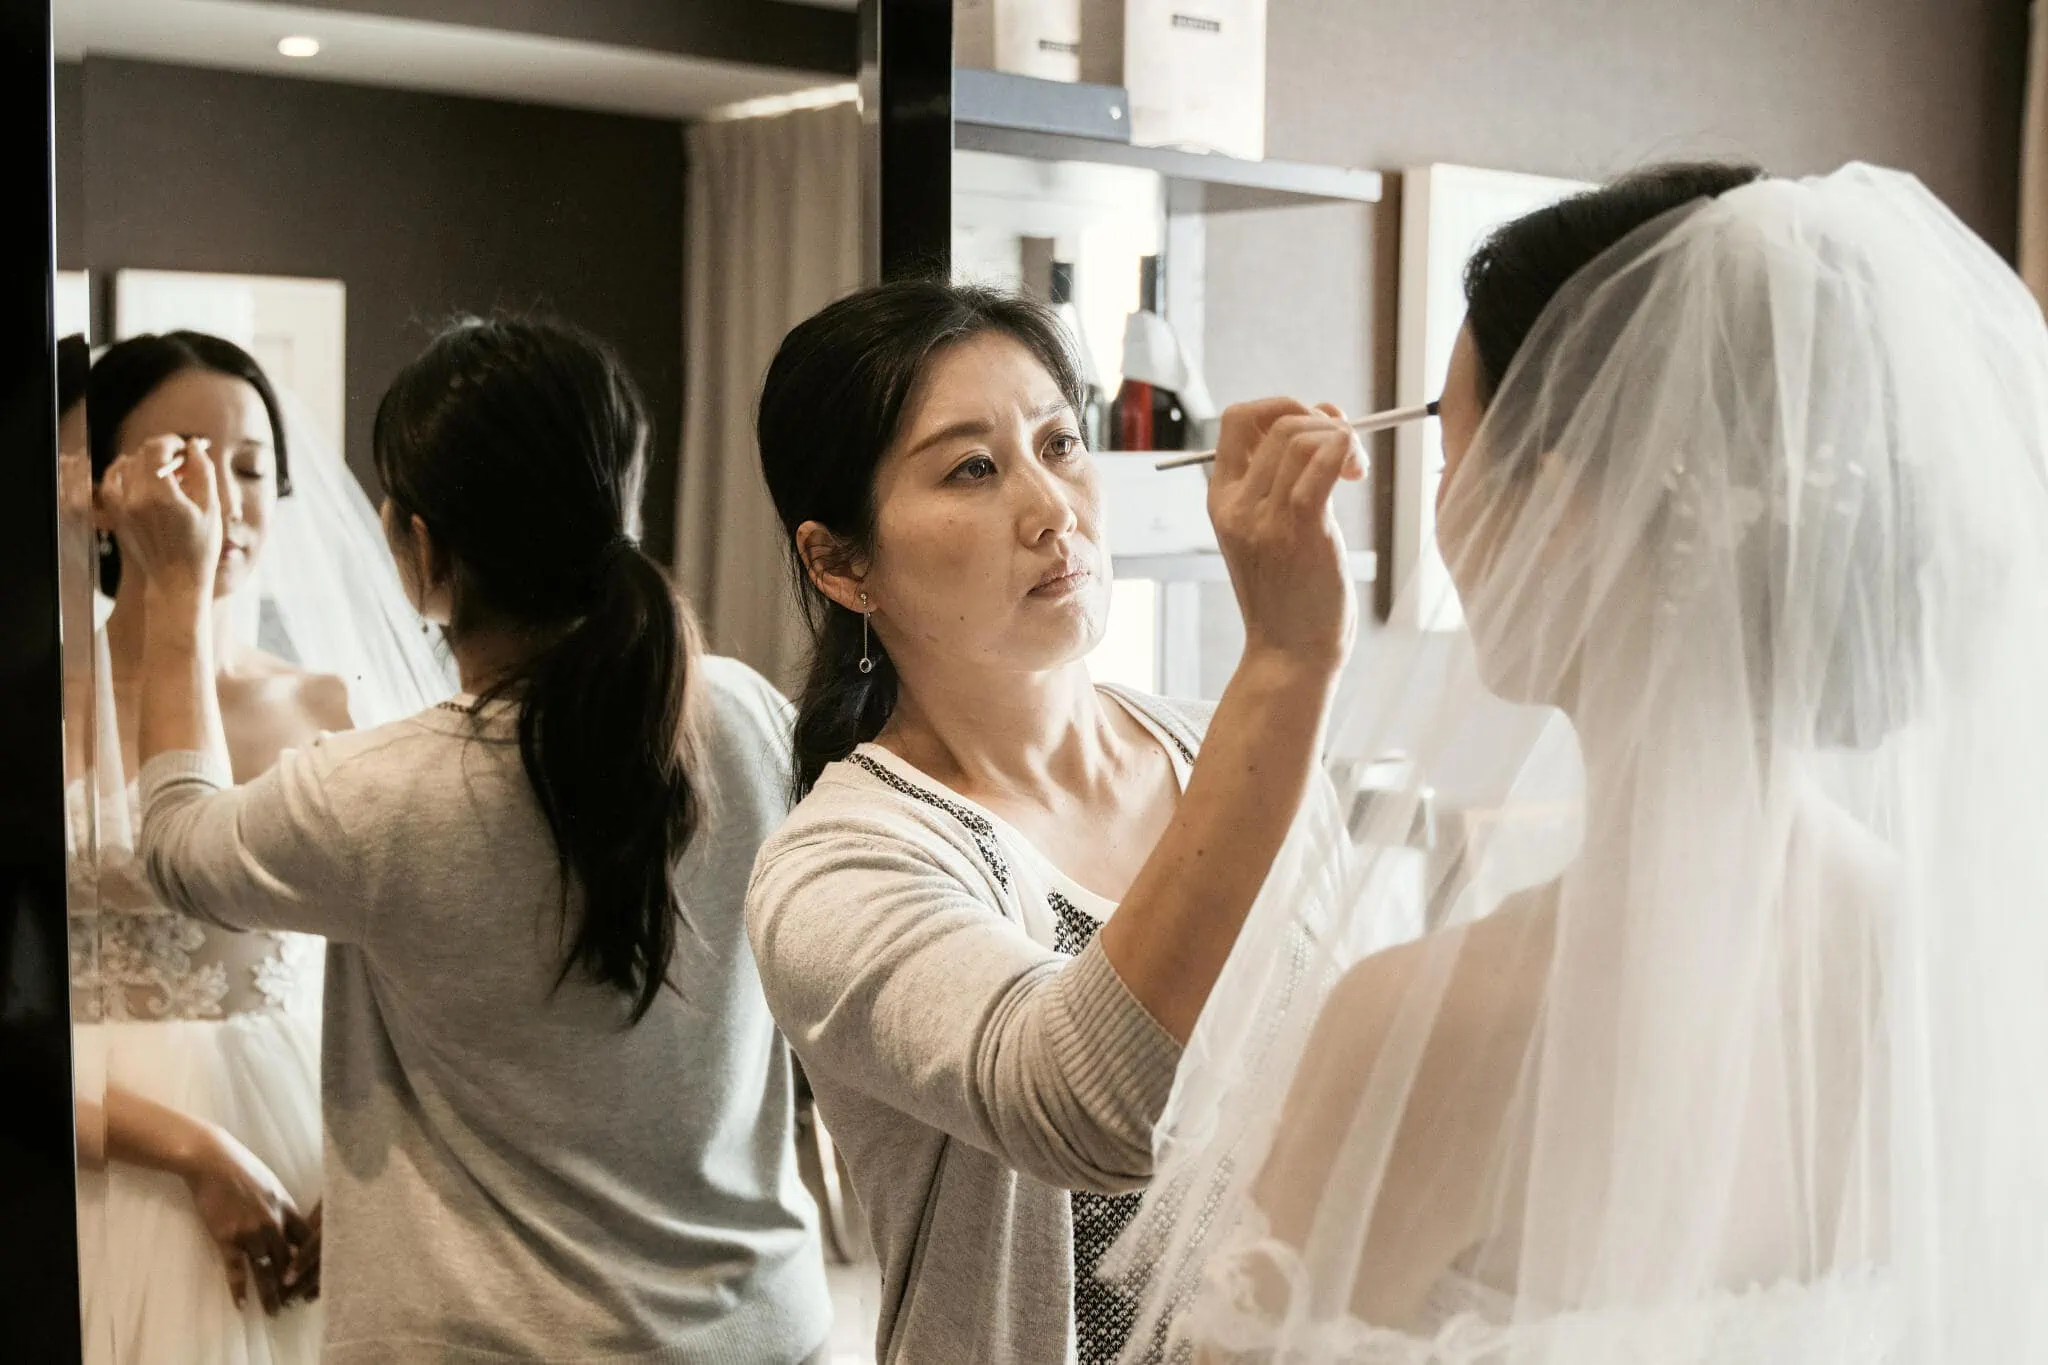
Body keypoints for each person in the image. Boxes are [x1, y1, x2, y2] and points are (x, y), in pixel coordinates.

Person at [1113, 162, 2048, 1363]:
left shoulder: (1441, 1028)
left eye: (1448, 455)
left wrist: (1286, 652)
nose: (1441, 512)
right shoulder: (1966, 966)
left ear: (1552, 510)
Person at [102, 316, 833, 1362]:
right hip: (761, 1332)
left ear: (421, 554)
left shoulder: (379, 792)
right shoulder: (748, 714)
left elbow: (178, 845)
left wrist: (173, 586)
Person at [745, 280, 1373, 1364]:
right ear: (840, 564)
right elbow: (1091, 1108)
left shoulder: (1233, 756)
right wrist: (1284, 660)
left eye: (1060, 443)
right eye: (971, 469)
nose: (1052, 510)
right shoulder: (835, 868)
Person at [69, 331, 348, 1363]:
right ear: (99, 490)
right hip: (94, 1154)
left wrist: (372, 1181)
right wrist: (186, 1148)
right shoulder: (30, 706)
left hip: (304, 1132)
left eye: (251, 467)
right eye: (183, 460)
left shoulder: (329, 705)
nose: (224, 500)